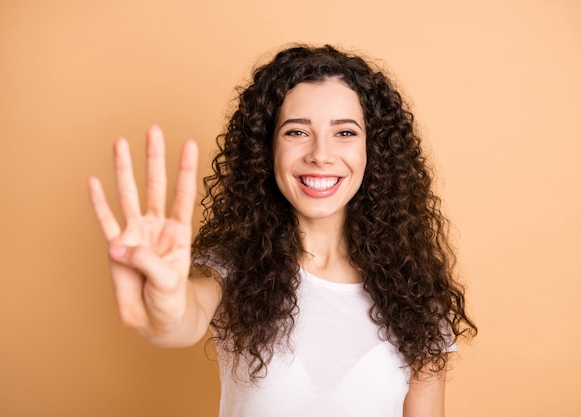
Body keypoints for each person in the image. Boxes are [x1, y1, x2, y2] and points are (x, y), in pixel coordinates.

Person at [88, 44, 477, 417]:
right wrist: (166, 304)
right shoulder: (231, 268)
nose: (321, 154)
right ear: (267, 149)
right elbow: (181, 321)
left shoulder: (417, 292)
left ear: (372, 151)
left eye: (344, 132)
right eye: (296, 132)